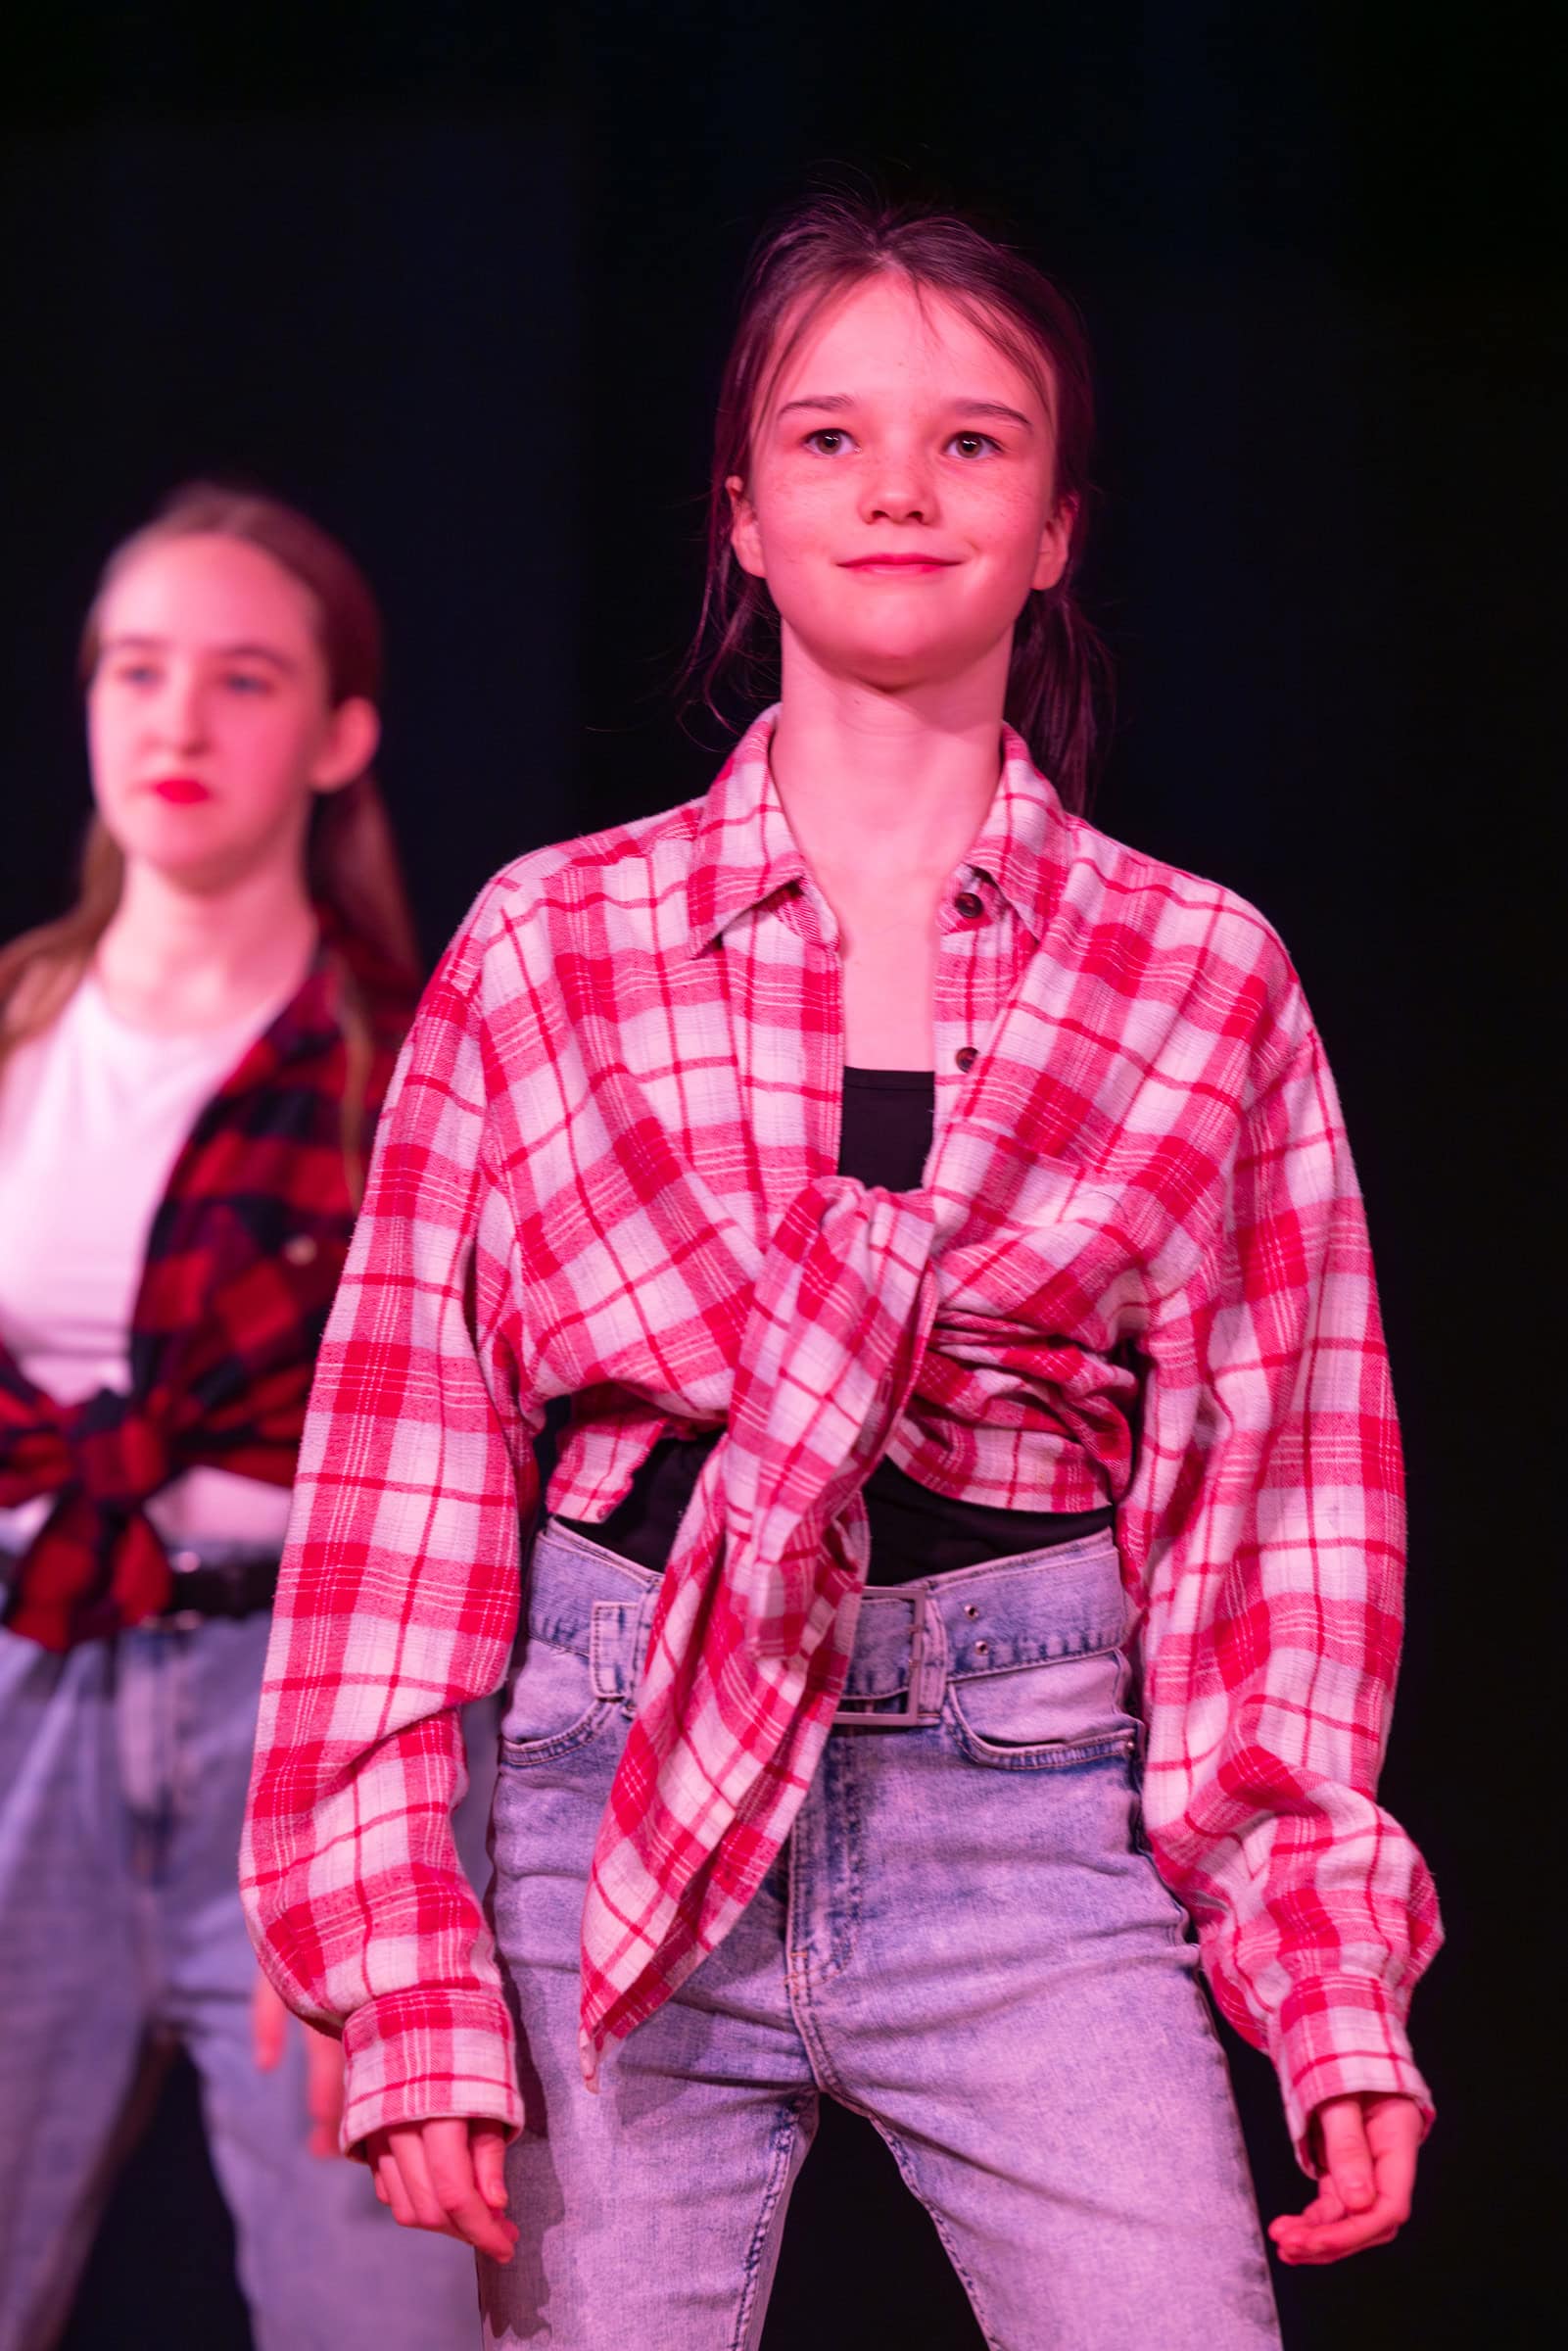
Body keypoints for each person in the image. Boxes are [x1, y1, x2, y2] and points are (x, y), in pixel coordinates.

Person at [243, 200, 1442, 2351]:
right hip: (611, 1794)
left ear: (1057, 529)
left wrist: (1323, 1974)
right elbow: (406, 1479)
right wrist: (403, 1972)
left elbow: (1275, 1514)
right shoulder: (551, 945)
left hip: (1024, 1811)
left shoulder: (1197, 973)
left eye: (972, 441)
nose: (899, 486)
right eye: (830, 437)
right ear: (742, 513)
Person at [0, 485, 487, 2351]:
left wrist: (378, 1854)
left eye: (244, 677)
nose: (179, 722)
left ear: (339, 733)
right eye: (136, 671)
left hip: (303, 1715)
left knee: (385, 2309)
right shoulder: (18, 1033)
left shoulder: (413, 1069)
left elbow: (476, 1480)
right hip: (32, 1680)